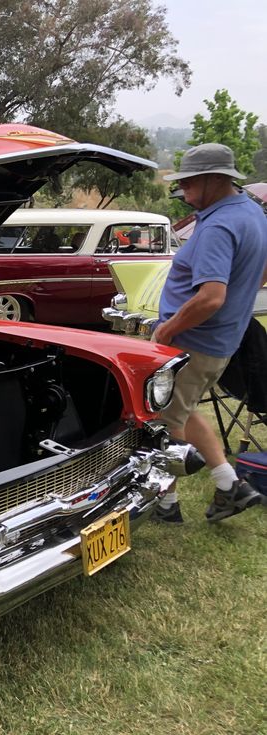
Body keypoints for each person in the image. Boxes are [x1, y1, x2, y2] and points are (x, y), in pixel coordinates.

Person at [151, 143, 267, 523]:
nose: (184, 193)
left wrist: (166, 331)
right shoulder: (251, 212)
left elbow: (211, 298)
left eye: (189, 185)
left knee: (160, 418)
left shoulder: (218, 226)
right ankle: (230, 484)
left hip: (195, 342)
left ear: (215, 180)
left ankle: (165, 505)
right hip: (222, 341)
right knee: (181, 410)